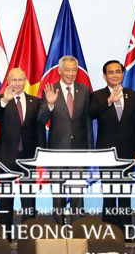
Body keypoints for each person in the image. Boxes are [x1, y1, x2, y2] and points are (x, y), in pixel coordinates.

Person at [88, 61, 135, 239]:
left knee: (125, 194)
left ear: (123, 74)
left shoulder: (133, 96)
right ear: (105, 76)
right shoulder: (98, 96)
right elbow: (90, 113)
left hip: (128, 153)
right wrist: (109, 101)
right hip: (106, 154)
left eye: (118, 72)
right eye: (110, 72)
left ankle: (127, 231)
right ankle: (110, 233)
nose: (114, 75)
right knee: (110, 194)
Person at [38, 56, 93, 224]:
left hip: (79, 150)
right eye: (67, 70)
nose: (71, 73)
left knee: (77, 193)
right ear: (59, 71)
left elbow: (88, 122)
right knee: (58, 193)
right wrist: (50, 105)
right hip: (57, 150)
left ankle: (77, 226)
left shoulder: (84, 90)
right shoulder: (49, 89)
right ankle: (58, 227)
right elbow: (40, 120)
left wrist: (90, 150)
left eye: (74, 70)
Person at [0, 68, 43, 234]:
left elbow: (40, 129)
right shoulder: (1, 99)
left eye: (20, 80)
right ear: (8, 81)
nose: (17, 83)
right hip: (6, 157)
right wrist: (5, 101)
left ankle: (28, 236)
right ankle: (5, 236)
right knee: (6, 201)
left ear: (26, 80)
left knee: (29, 201)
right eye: (14, 80)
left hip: (29, 158)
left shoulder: (35, 102)